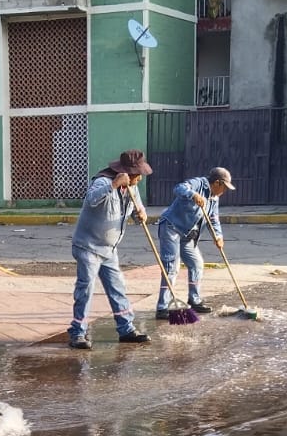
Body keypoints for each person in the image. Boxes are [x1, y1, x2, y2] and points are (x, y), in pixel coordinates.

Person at [67, 149, 153, 350]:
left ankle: (126, 329)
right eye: (138, 174)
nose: (140, 178)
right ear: (127, 173)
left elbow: (137, 211)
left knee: (117, 288)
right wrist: (114, 185)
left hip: (109, 249)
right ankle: (78, 333)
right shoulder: (103, 182)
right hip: (88, 246)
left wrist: (141, 215)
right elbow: (91, 200)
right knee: (85, 289)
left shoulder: (133, 189)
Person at [155, 166, 235, 320]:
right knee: (171, 267)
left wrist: (218, 236)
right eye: (224, 187)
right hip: (171, 228)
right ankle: (162, 307)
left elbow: (213, 218)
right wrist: (193, 195)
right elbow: (179, 188)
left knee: (197, 264)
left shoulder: (214, 198)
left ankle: (194, 299)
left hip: (188, 234)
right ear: (217, 183)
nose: (224, 191)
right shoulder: (199, 183)